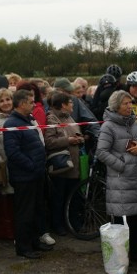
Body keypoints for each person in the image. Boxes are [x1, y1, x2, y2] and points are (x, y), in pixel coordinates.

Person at [95, 90, 137, 262]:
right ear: (116, 106)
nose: (130, 106)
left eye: (130, 103)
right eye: (125, 104)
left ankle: (135, 251)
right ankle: (121, 255)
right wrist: (122, 165)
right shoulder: (108, 126)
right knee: (122, 220)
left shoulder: (135, 124)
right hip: (121, 180)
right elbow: (101, 152)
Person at [3, 89, 53, 259]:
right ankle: (23, 247)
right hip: (25, 176)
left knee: (36, 210)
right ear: (22, 103)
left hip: (36, 174)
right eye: (31, 102)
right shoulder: (11, 123)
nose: (34, 104)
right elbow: (12, 152)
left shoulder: (29, 120)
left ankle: (34, 241)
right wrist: (31, 165)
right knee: (25, 212)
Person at [44, 92, 83, 237]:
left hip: (74, 166)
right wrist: (68, 140)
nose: (73, 104)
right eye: (70, 102)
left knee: (74, 197)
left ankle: (73, 223)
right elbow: (49, 141)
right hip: (61, 168)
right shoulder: (51, 119)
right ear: (63, 105)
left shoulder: (70, 117)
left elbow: (76, 133)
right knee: (59, 198)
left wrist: (81, 139)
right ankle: (58, 225)